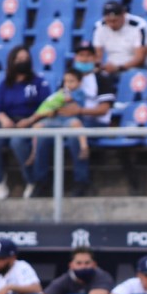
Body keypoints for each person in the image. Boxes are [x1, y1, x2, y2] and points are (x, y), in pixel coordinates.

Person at [30, 41, 116, 198]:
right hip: (65, 120)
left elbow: (104, 109)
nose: (83, 59)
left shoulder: (101, 78)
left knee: (74, 135)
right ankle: (41, 182)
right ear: (75, 57)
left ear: (94, 57)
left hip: (93, 121)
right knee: (42, 135)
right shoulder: (68, 77)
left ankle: (81, 182)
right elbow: (58, 101)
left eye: (88, 55)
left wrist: (80, 110)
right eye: (80, 55)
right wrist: (52, 112)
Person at [0, 45, 51, 201]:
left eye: (25, 59)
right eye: (19, 59)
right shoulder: (5, 83)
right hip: (7, 122)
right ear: (12, 61)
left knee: (17, 142)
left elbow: (47, 107)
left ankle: (31, 180)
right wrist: (3, 118)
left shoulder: (38, 81)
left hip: (31, 121)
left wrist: (30, 120)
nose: (22, 62)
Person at [26, 68, 90, 170]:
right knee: (37, 126)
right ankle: (34, 152)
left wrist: (57, 99)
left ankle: (84, 147)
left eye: (71, 81)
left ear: (80, 82)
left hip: (70, 120)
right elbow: (54, 106)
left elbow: (67, 100)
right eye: (66, 81)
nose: (68, 84)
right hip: (56, 119)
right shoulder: (61, 92)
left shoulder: (78, 93)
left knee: (77, 124)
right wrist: (51, 110)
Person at [92, 0, 147, 91]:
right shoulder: (99, 26)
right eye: (108, 21)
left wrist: (118, 68)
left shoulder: (139, 26)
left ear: (123, 15)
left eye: (115, 21)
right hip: (110, 67)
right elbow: (98, 55)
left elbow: (140, 58)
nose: (111, 24)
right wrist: (99, 67)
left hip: (133, 68)